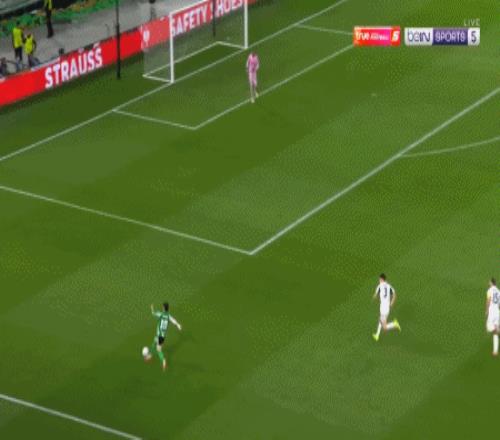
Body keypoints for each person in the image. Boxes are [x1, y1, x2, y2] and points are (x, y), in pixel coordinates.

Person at [146, 302, 182, 371]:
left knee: (158, 349)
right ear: (168, 308)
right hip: (163, 336)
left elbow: (153, 313)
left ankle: (162, 360)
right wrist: (178, 326)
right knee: (155, 343)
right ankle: (149, 355)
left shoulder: (161, 314)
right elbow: (174, 321)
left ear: (163, 308)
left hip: (159, 335)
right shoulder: (169, 316)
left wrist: (152, 308)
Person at [372, 274, 401, 341]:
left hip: (383, 309)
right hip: (387, 307)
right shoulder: (389, 286)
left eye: (379, 279)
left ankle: (394, 324)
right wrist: (392, 302)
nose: (379, 280)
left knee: (384, 327)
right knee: (380, 319)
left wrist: (375, 297)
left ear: (382, 279)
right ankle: (377, 335)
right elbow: (394, 295)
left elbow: (375, 295)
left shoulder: (379, 286)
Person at [486, 278, 499, 357]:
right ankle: (495, 351)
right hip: (497, 311)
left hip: (491, 311)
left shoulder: (489, 290)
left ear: (492, 283)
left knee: (489, 328)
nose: (488, 283)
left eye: (489, 282)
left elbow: (488, 300)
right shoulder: (498, 291)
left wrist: (487, 310)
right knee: (495, 333)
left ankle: (497, 328)